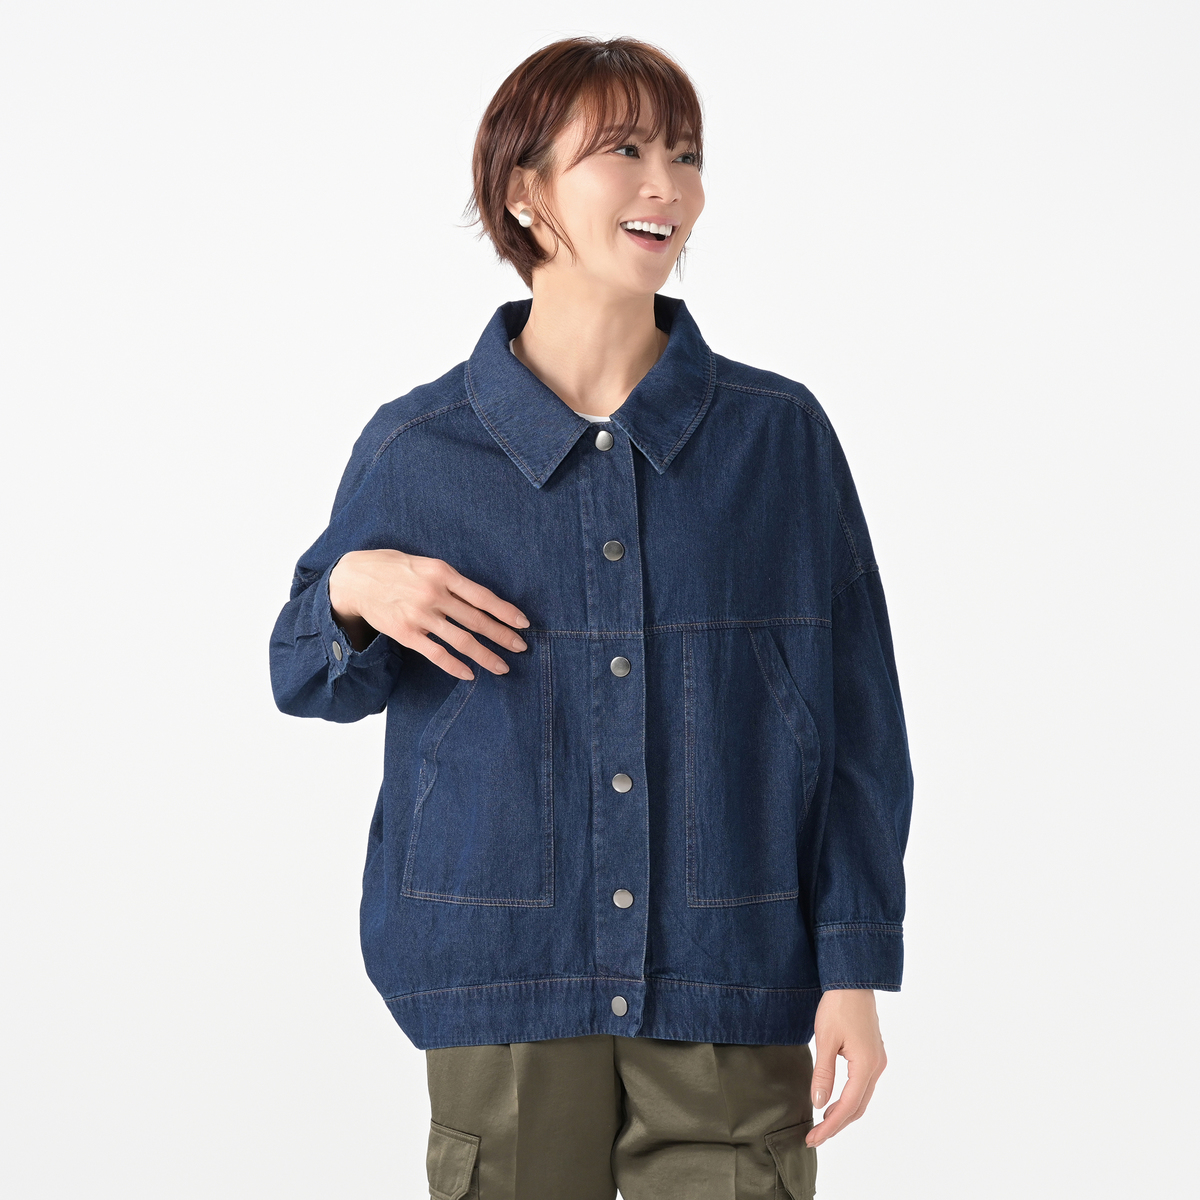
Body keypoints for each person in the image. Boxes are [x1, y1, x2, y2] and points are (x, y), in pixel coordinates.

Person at [269, 35, 913, 1200]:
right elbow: (303, 674)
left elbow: (860, 728)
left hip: (732, 974)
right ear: (526, 190)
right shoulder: (420, 448)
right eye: (624, 151)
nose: (668, 185)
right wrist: (355, 593)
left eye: (686, 154)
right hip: (502, 977)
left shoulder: (777, 439)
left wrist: (853, 965)